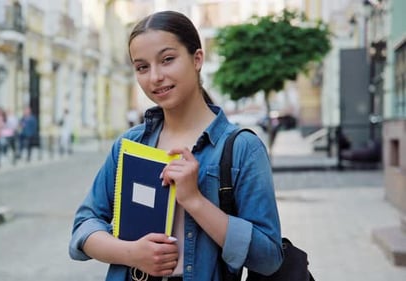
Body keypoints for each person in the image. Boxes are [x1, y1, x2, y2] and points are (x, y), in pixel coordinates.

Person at [69, 11, 283, 281]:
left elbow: (269, 258)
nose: (155, 77)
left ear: (197, 59)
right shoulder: (129, 145)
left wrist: (194, 200)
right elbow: (84, 226)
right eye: (142, 67)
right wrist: (131, 253)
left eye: (167, 60)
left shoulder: (242, 148)